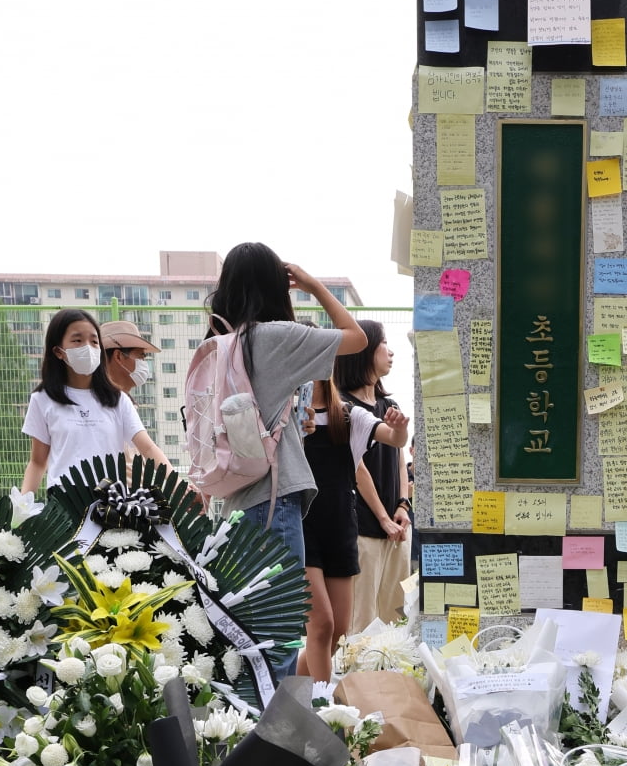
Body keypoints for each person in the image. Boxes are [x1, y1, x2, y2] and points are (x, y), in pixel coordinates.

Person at [204, 243, 367, 573]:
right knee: (278, 618)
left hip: (235, 500)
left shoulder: (218, 343)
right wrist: (314, 286)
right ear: (275, 287)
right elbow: (357, 338)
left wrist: (291, 423)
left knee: (250, 616)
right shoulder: (274, 336)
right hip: (272, 500)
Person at [297, 377, 408, 682]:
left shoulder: (348, 415)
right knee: (321, 626)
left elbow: (395, 440)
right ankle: (323, 710)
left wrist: (399, 428)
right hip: (299, 526)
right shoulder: (284, 413)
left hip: (341, 526)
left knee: (339, 631)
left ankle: (291, 696)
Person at [20, 309, 173, 498]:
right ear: (58, 351)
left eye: (94, 341)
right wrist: (22, 510)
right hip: (65, 501)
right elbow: (37, 462)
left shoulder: (118, 399)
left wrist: (179, 487)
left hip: (112, 502)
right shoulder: (42, 399)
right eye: (77, 340)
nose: (88, 347)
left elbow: (148, 448)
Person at [334, 323, 411, 630]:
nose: (390, 351)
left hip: (397, 528)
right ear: (363, 351)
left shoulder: (389, 406)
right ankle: (358, 679)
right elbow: (356, 468)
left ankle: (391, 677)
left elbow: (399, 456)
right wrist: (382, 517)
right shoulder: (341, 405)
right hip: (362, 529)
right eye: (383, 344)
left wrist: (403, 506)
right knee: (361, 621)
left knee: (396, 618)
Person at [100, 319, 158, 397]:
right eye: (141, 356)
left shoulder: (123, 401)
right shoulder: (99, 403)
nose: (144, 362)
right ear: (118, 357)